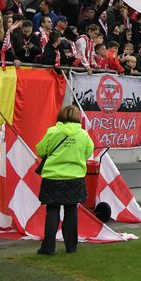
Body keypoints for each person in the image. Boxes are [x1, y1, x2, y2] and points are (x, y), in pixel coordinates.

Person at [35, 104, 95, 256]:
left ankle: (48, 247)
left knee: (52, 210)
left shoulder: (52, 131)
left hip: (52, 177)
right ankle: (71, 247)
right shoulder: (83, 134)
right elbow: (88, 152)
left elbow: (41, 150)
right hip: (75, 177)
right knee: (71, 210)